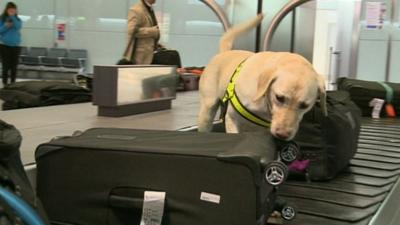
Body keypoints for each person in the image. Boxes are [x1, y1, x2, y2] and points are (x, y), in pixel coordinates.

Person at [125, 0, 160, 65]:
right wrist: (152, 31)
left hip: (148, 54)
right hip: (139, 56)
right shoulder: (136, 10)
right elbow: (132, 30)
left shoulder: (149, 8)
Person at [0, 2, 22, 86]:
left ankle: (13, 83)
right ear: (7, 10)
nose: (12, 11)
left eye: (14, 10)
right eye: (10, 10)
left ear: (15, 10)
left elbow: (18, 27)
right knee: (5, 66)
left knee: (14, 67)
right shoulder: (2, 18)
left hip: (16, 46)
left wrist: (12, 17)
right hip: (4, 46)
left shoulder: (18, 19)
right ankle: (4, 83)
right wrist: (5, 26)